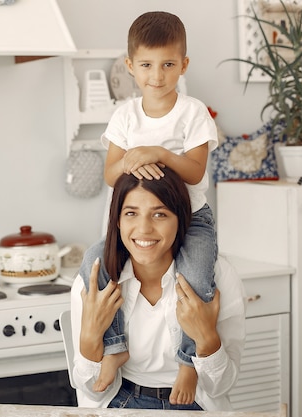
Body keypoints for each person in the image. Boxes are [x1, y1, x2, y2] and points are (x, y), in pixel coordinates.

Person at [87, 11, 219, 403]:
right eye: (146, 65)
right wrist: (130, 160)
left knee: (195, 278)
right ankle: (114, 348)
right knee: (94, 267)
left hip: (191, 219)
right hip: (136, 223)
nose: (156, 76)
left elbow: (194, 173)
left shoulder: (193, 113)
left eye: (167, 65)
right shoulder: (125, 116)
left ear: (183, 65)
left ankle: (187, 362)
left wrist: (160, 154)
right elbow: (111, 175)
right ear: (130, 66)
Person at [71, 169, 245, 410]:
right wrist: (90, 337)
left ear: (181, 219)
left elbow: (221, 386)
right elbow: (91, 388)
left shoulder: (218, 276)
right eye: (131, 213)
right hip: (122, 401)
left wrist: (206, 338)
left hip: (196, 403)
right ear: (118, 220)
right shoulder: (93, 281)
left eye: (160, 214)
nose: (144, 229)